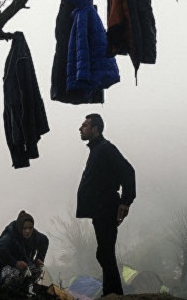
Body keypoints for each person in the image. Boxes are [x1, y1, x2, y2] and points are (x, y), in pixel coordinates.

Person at [77, 113, 136, 296]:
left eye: (85, 126)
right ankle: (111, 292)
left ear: (95, 129)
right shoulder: (97, 149)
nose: (80, 129)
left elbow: (128, 171)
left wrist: (126, 201)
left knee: (105, 252)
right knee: (104, 252)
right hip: (99, 210)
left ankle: (113, 293)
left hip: (106, 208)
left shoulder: (105, 149)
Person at [0, 211, 49, 300]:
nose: (28, 231)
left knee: (37, 269)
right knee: (17, 272)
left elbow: (44, 240)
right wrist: (15, 263)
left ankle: (21, 292)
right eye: (24, 228)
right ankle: (4, 294)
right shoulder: (10, 235)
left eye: (30, 228)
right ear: (20, 227)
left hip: (20, 265)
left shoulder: (34, 235)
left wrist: (40, 257)